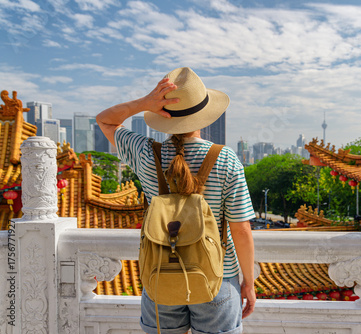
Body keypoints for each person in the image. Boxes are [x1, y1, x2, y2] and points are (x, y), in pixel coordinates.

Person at [96, 67, 256, 334]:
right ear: (204, 116)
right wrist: (248, 282)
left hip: (160, 276)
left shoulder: (146, 153)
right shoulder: (226, 159)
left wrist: (146, 102)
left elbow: (105, 120)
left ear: (164, 117)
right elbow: (241, 229)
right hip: (217, 279)